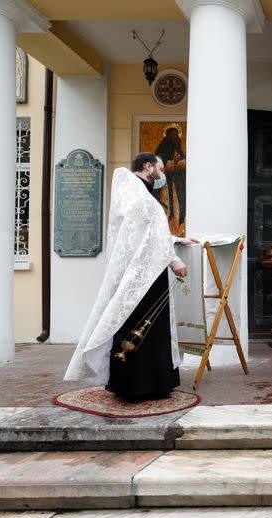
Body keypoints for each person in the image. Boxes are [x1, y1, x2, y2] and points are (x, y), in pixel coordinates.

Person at [64, 153, 199, 401]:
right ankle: (144, 385)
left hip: (139, 272)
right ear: (148, 167)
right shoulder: (140, 197)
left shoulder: (133, 193)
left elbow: (144, 236)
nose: (163, 176)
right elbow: (149, 238)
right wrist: (175, 260)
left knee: (137, 324)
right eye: (160, 169)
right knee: (145, 325)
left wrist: (178, 240)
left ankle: (132, 383)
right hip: (145, 277)